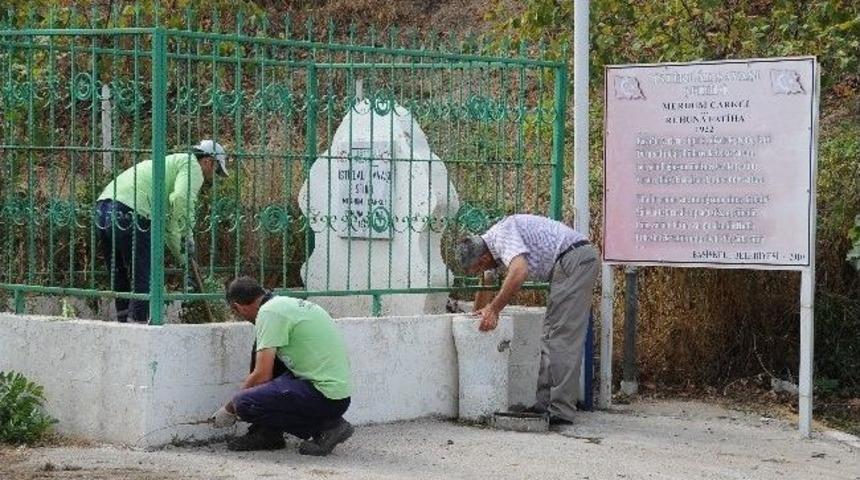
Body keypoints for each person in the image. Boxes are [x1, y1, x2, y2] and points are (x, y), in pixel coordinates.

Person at [454, 214, 599, 426]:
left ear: (483, 259)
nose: (482, 271)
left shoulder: (503, 235)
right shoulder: (490, 249)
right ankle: (545, 407)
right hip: (570, 262)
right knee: (551, 336)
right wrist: (477, 317)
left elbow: (519, 271)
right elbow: (486, 282)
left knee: (561, 338)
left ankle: (559, 411)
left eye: (478, 268)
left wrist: (493, 309)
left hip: (574, 260)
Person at [210, 276, 354, 455]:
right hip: (336, 393)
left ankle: (328, 427)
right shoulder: (282, 304)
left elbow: (262, 374)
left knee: (245, 403)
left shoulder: (268, 313)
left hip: (325, 397)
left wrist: (230, 409)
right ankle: (268, 432)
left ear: (237, 307)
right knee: (262, 350)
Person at [95, 140, 228, 323]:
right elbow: (181, 199)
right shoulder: (192, 166)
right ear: (208, 161)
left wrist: (183, 258)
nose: (212, 176)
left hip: (103, 207)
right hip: (133, 210)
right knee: (145, 275)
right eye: (215, 170)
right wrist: (188, 236)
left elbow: (169, 228)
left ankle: (123, 324)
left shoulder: (167, 167)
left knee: (119, 273)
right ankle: (138, 326)